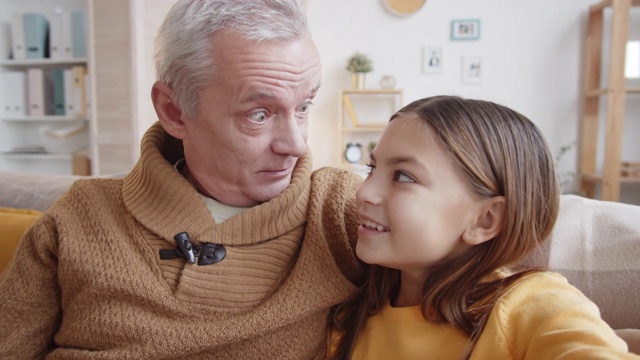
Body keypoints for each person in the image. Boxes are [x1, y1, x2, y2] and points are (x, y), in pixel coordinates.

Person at [0, 1, 364, 358]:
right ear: (174, 111)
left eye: (303, 107)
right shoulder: (78, 217)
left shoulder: (339, 211)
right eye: (259, 114)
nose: (296, 144)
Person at [328, 96, 639, 359]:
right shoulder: (349, 321)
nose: (363, 192)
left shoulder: (534, 305)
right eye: (372, 168)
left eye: (404, 177)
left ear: (485, 220)